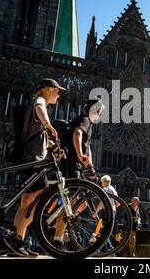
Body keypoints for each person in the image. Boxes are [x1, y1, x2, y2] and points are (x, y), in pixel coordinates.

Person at [4, 78, 65, 257]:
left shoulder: (37, 108)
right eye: (57, 90)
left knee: (26, 204)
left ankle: (16, 244)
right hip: (33, 159)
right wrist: (48, 125)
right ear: (47, 90)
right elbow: (39, 107)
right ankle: (17, 242)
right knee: (36, 203)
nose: (59, 94)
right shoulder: (40, 102)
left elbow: (40, 135)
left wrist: (54, 146)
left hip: (29, 158)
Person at [52, 98, 105, 246]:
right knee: (72, 203)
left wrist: (91, 166)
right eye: (100, 111)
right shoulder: (85, 120)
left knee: (80, 204)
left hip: (76, 166)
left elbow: (87, 148)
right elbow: (77, 134)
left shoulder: (87, 122)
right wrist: (80, 154)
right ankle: (58, 237)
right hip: (71, 164)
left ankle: (61, 226)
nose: (100, 114)